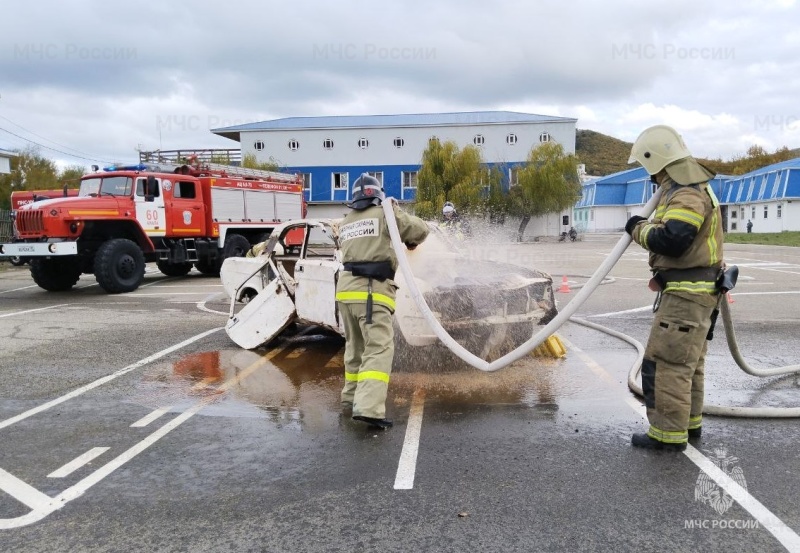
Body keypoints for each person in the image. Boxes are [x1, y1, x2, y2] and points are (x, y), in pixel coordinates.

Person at [625, 125, 725, 452]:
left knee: (666, 364)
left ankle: (667, 435)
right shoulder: (691, 189)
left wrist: (637, 228)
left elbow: (673, 240)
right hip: (694, 293)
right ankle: (689, 425)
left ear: (658, 162)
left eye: (647, 166)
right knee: (688, 364)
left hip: (686, 297)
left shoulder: (686, 193)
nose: (649, 176)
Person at [335, 174, 429, 429]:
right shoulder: (385, 213)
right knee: (378, 349)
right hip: (371, 292)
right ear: (378, 196)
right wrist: (395, 208)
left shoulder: (346, 222)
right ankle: (369, 409)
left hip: (345, 293)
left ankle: (351, 399)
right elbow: (420, 230)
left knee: (355, 348)